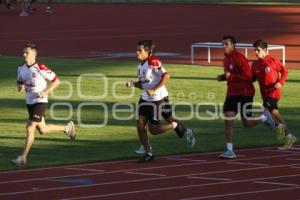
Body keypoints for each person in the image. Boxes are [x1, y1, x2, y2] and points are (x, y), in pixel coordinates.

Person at [126, 40, 195, 162]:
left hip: (158, 99)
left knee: (155, 129)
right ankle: (148, 152)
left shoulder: (153, 61)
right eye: (136, 50)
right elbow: (143, 84)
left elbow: (166, 75)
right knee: (140, 124)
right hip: (145, 98)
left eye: (139, 50)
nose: (137, 52)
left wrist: (154, 89)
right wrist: (133, 84)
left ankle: (178, 127)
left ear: (147, 52)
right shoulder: (139, 66)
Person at [11, 43, 76, 167]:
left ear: (34, 54)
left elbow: (56, 81)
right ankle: (67, 128)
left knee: (30, 128)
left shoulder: (40, 67)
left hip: (40, 102)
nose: (23, 54)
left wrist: (45, 92)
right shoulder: (21, 68)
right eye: (23, 52)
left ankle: (22, 158)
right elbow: (19, 85)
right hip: (29, 102)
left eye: (26, 52)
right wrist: (21, 87)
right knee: (43, 130)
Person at [217, 36, 275, 159]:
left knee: (247, 123)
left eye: (226, 44)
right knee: (228, 120)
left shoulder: (240, 58)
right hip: (231, 93)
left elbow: (248, 76)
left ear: (233, 45)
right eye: (223, 44)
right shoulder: (226, 59)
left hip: (245, 93)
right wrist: (223, 77)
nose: (224, 46)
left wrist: (231, 76)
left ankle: (264, 118)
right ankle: (229, 150)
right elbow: (230, 75)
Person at [252, 39, 297, 150]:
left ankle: (279, 127)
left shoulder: (272, 61)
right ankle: (289, 137)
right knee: (275, 114)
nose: (256, 53)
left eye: (258, 50)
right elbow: (252, 79)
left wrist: (280, 83)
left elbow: (285, 71)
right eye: (255, 50)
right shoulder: (255, 65)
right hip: (265, 95)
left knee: (264, 112)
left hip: (273, 93)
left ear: (265, 50)